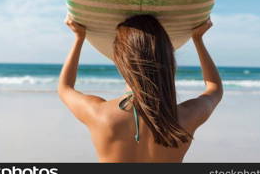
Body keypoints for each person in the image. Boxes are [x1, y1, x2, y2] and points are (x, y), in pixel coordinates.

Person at [58, 14, 223, 162]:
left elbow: (65, 87)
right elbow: (215, 89)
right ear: (168, 60)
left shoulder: (101, 115)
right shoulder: (186, 117)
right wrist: (198, 39)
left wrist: (79, 38)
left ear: (120, 60)